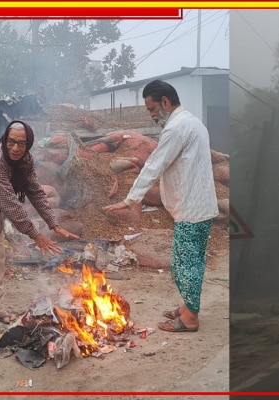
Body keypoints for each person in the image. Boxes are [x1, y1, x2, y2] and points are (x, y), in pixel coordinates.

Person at [103, 80, 218, 333]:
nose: (152, 114)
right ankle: (189, 308)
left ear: (165, 102)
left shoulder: (177, 128)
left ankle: (190, 319)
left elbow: (154, 165)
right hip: (195, 205)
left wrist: (130, 199)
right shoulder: (191, 121)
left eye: (152, 108)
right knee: (188, 262)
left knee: (184, 264)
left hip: (192, 209)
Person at [0, 120, 80, 338]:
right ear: (4, 140)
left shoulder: (25, 160)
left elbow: (35, 191)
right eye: (11, 142)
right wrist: (36, 235)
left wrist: (53, 224)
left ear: (28, 144)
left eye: (21, 143)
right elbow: (9, 203)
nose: (15, 148)